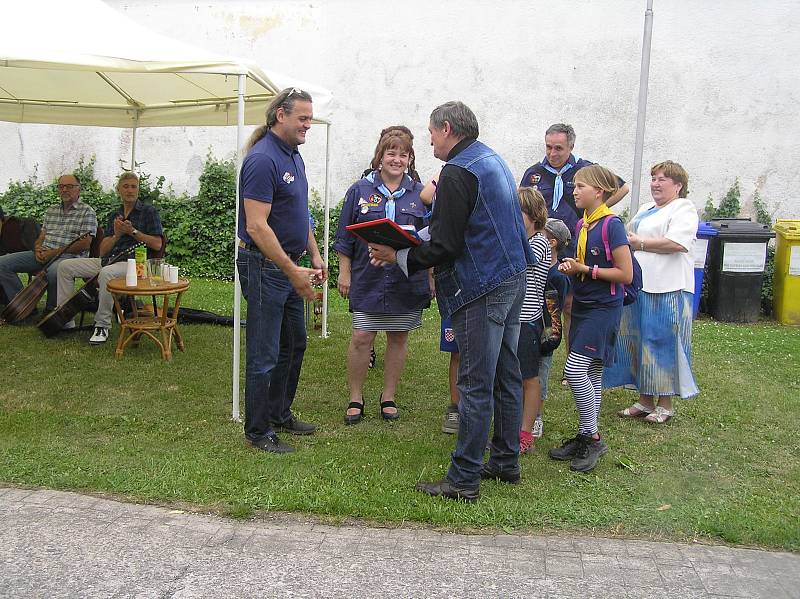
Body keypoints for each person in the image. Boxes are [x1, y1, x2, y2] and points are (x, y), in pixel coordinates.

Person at [370, 101, 533, 502]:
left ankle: (464, 479)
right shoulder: (488, 157)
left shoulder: (458, 171)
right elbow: (462, 226)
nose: (428, 141)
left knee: (475, 384)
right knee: (506, 375)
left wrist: (399, 255)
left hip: (483, 285)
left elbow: (446, 244)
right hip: (513, 277)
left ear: (447, 129)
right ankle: (505, 461)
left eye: (430, 133)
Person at [236, 87, 326, 455]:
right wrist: (292, 270)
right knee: (265, 351)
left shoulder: (294, 157)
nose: (308, 124)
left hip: (288, 264)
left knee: (295, 343)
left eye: (310, 117)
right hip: (264, 266)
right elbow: (257, 227)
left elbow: (298, 214)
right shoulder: (262, 160)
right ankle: (257, 431)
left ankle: (278, 413)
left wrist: (315, 256)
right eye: (303, 118)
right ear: (280, 117)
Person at [335, 129, 430, 424]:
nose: (397, 159)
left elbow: (431, 239)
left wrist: (431, 279)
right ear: (380, 156)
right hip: (368, 277)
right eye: (391, 153)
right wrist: (344, 272)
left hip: (406, 279)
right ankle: (355, 396)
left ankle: (388, 396)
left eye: (403, 154)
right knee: (362, 336)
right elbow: (344, 237)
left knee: (398, 337)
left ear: (410, 158)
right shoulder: (359, 191)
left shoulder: (420, 193)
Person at [550, 164, 632, 473]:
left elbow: (625, 273)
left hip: (604, 306)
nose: (574, 191)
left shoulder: (611, 225)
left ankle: (593, 436)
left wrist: (586, 270)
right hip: (584, 303)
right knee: (592, 371)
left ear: (598, 192)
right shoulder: (586, 223)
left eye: (580, 186)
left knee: (573, 369)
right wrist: (574, 267)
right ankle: (586, 436)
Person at [605, 160, 700, 423]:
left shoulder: (683, 209)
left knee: (662, 342)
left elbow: (678, 243)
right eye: (653, 178)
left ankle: (665, 404)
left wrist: (642, 243)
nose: (655, 184)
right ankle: (644, 400)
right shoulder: (647, 209)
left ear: (678, 186)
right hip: (641, 285)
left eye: (662, 180)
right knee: (639, 340)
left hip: (669, 287)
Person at [56, 172, 163, 342]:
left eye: (133, 186)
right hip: (109, 260)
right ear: (119, 190)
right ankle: (65, 319)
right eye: (126, 186)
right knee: (65, 266)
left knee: (106, 273)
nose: (130, 190)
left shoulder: (149, 212)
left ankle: (102, 326)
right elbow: (103, 251)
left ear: (138, 190)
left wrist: (133, 232)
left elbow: (157, 244)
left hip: (136, 265)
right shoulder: (115, 215)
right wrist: (117, 235)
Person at [519, 124, 629, 249]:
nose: (552, 153)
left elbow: (622, 188)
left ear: (571, 147)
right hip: (541, 243)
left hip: (574, 241)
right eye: (548, 147)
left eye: (558, 148)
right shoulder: (533, 173)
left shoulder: (585, 169)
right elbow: (520, 206)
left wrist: (596, 212)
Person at [0, 174, 96, 313]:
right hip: (44, 254)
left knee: (54, 271)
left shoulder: (87, 212)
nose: (64, 190)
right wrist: (38, 247)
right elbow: (42, 235)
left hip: (68, 258)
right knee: (2, 264)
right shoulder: (52, 210)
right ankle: (23, 306)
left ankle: (52, 311)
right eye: (61, 186)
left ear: (78, 189)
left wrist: (52, 253)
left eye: (69, 186)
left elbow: (84, 244)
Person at [420, 173, 461, 435]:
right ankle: (456, 407)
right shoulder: (445, 184)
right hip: (452, 285)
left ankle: (481, 406)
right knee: (456, 351)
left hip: (476, 283)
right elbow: (425, 197)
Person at [517, 187, 551, 454]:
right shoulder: (523, 239)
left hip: (527, 321)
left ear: (533, 214)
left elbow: (519, 263)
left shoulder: (538, 242)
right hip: (512, 319)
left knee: (529, 377)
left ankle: (526, 431)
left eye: (520, 213)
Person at [534, 218, 572, 440]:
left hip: (546, 331)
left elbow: (559, 307)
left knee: (541, 374)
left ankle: (537, 417)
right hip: (528, 327)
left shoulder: (558, 275)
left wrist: (551, 332)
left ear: (553, 243)